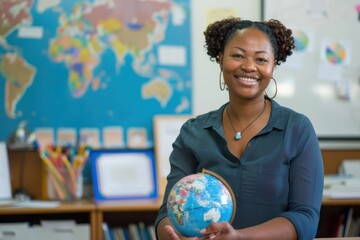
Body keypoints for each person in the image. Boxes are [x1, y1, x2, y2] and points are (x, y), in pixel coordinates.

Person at [155, 16, 324, 240]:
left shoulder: (297, 129)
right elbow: (168, 212)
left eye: (261, 59)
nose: (249, 66)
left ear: (273, 66)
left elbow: (306, 219)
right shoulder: (193, 132)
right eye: (237, 55)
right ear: (220, 59)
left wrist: (239, 237)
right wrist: (172, 235)